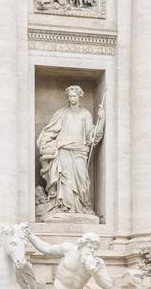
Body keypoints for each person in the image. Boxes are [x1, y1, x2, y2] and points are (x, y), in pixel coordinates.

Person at [36, 85, 104, 216]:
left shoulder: (85, 114)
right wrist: (45, 143)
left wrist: (101, 120)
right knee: (65, 181)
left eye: (74, 96)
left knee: (82, 180)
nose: (72, 98)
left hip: (79, 151)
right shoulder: (62, 113)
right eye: (70, 96)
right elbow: (50, 131)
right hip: (63, 150)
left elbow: (92, 136)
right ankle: (65, 207)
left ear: (79, 96)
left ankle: (81, 206)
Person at [23, 230, 113, 289]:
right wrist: (30, 236)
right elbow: (47, 249)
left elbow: (108, 286)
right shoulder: (68, 249)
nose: (92, 251)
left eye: (95, 249)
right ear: (81, 245)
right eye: (90, 247)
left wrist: (94, 272)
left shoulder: (97, 264)